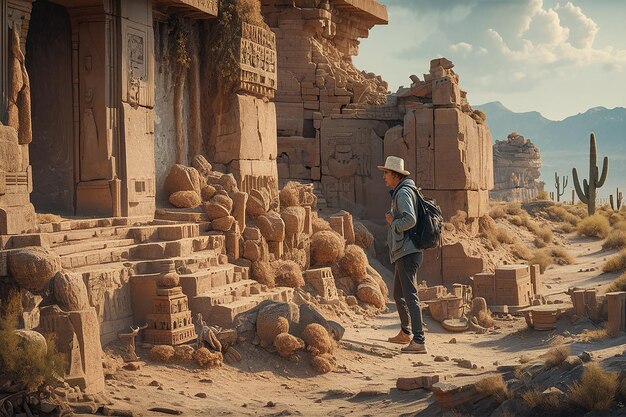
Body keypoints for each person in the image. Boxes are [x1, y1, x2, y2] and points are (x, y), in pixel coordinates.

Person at [377, 156, 427, 354]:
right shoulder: (402, 191)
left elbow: (410, 220)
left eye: (386, 173)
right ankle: (405, 332)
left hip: (408, 252)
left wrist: (392, 222)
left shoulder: (403, 193)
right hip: (404, 251)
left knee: (410, 295)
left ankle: (419, 340)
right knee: (398, 294)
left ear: (395, 175)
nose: (384, 177)